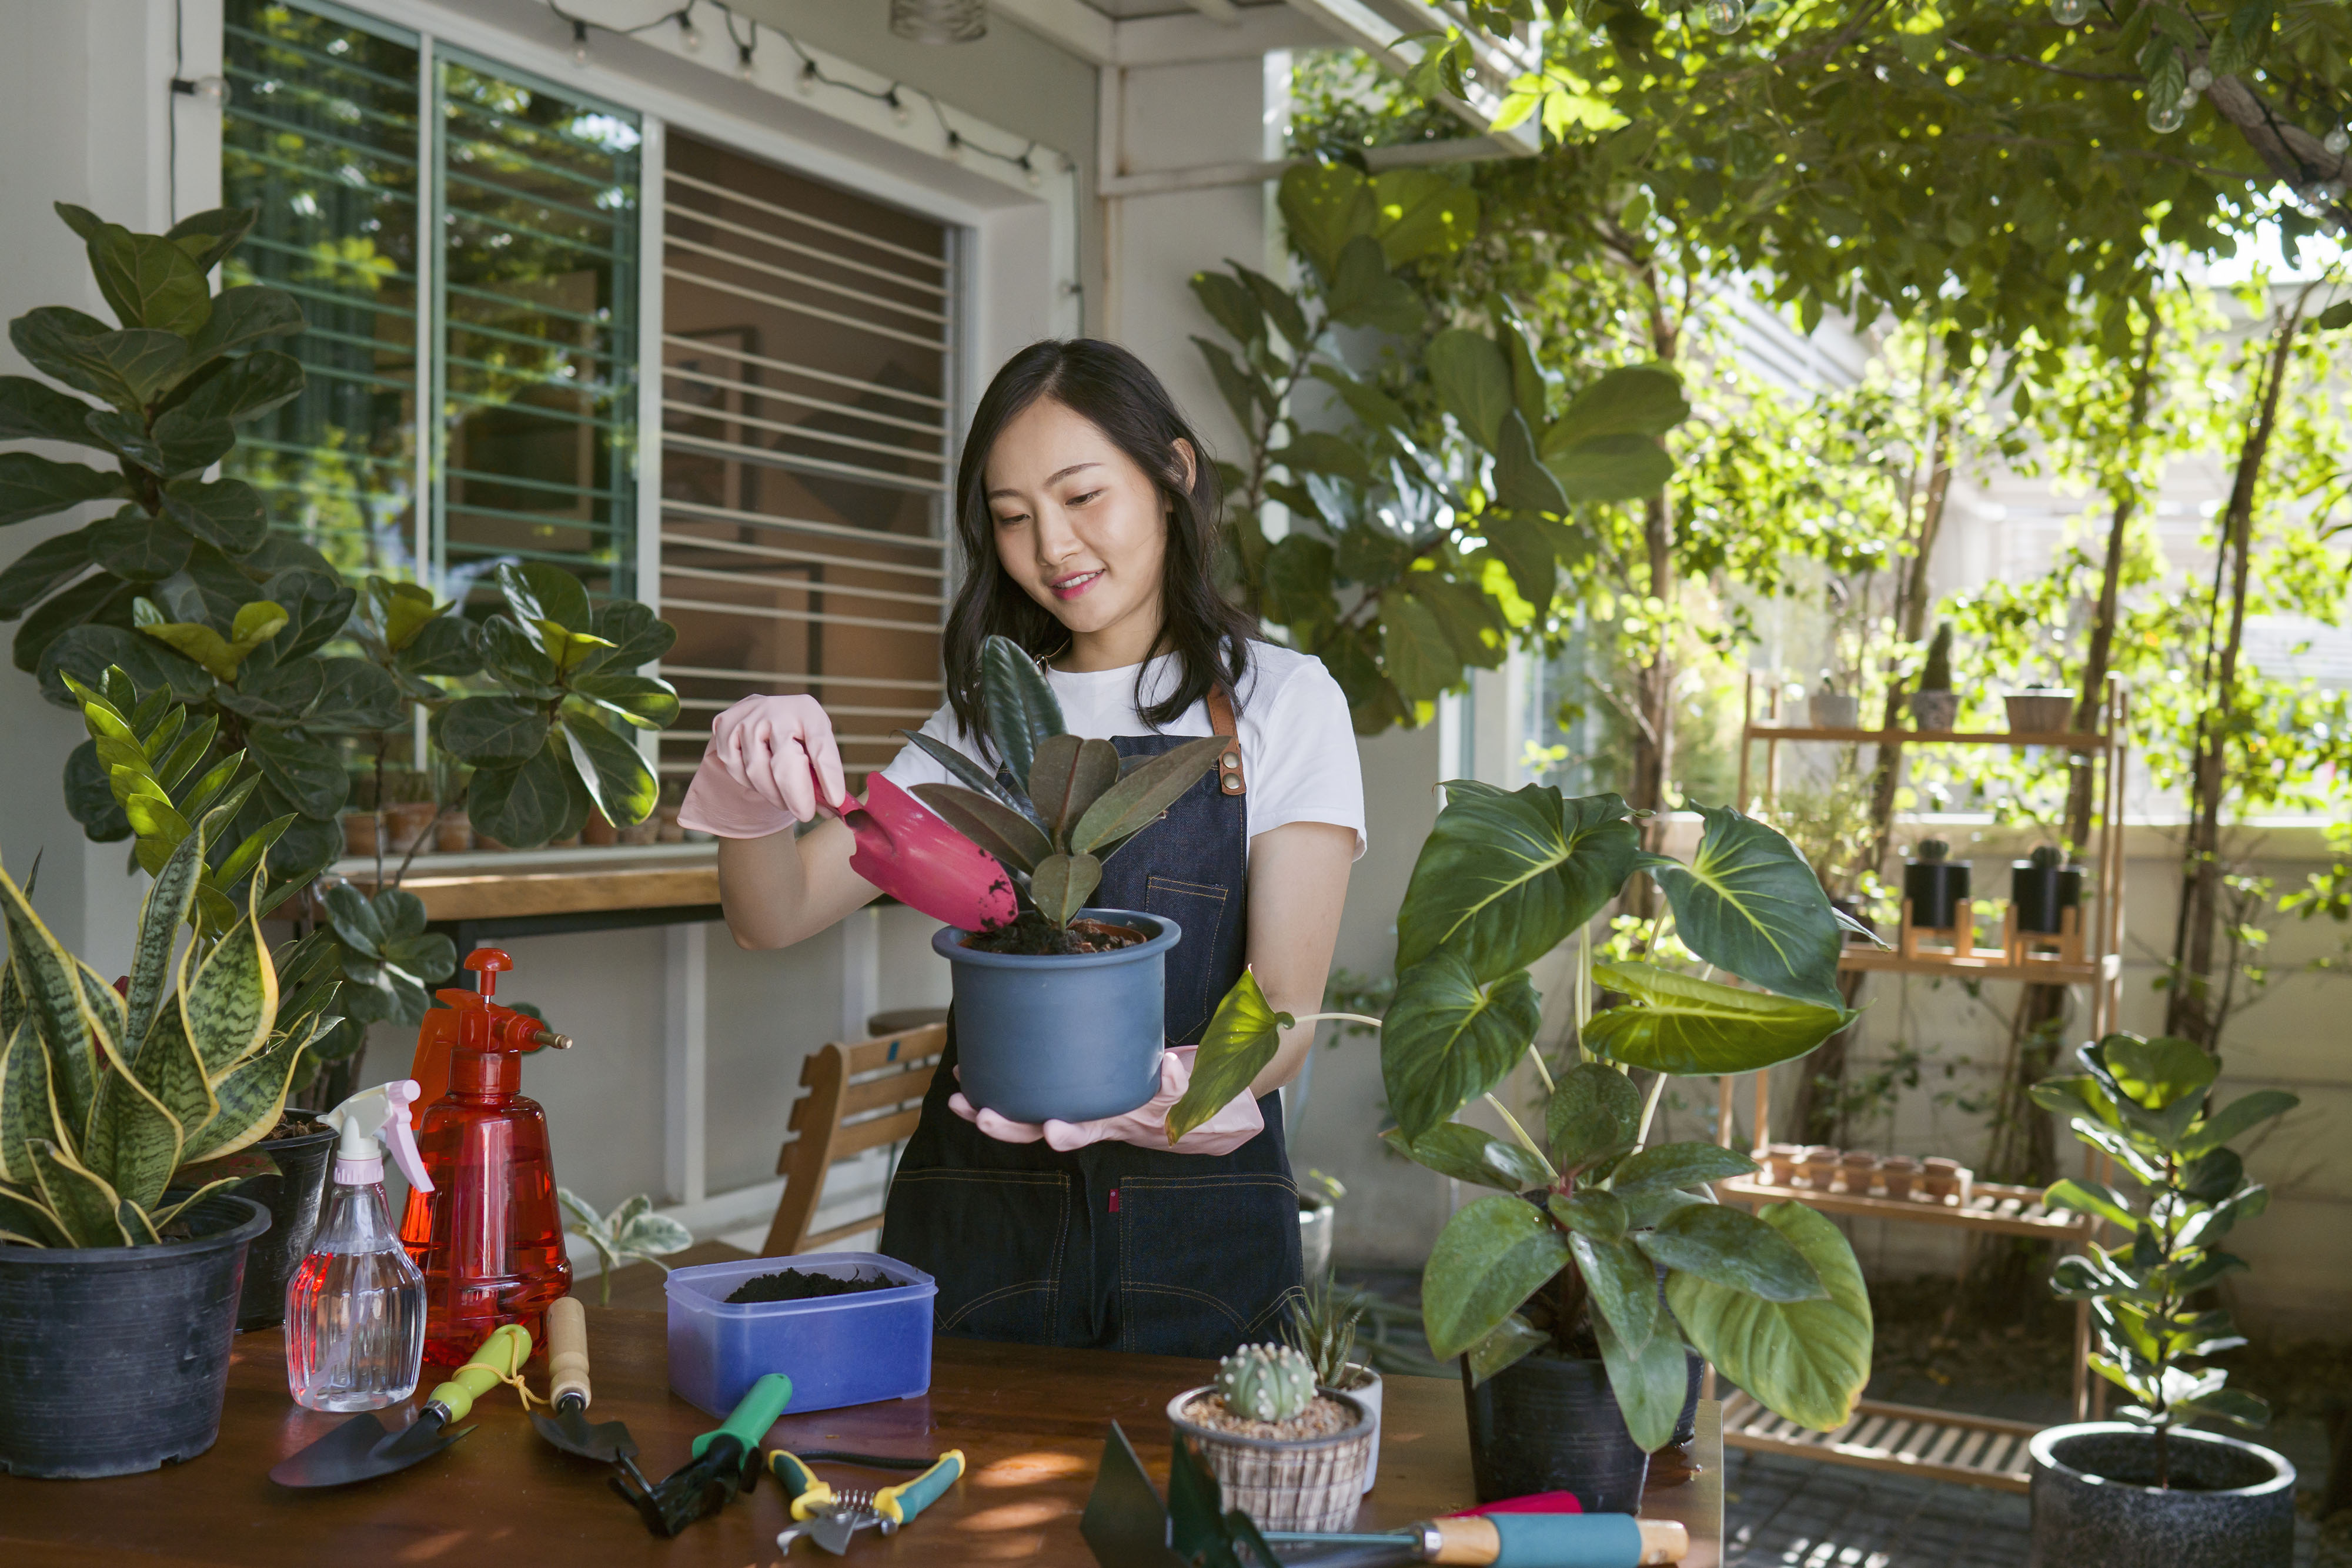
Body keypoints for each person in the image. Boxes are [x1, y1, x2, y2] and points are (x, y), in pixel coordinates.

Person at [677, 338, 1364, 1359]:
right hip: (981, 1214)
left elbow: (1286, 1010)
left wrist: (1175, 1095)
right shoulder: (986, 721)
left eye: (1083, 496)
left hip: (1201, 1228)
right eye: (1012, 518)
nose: (1053, 546)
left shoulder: (1279, 702)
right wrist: (746, 791)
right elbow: (771, 914)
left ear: (1173, 475)